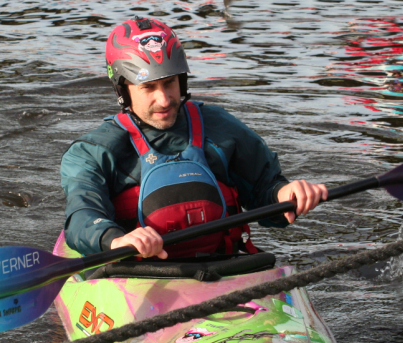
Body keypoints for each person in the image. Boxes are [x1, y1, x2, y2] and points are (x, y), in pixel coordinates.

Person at [60, 16, 328, 259]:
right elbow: (83, 216)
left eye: (170, 83)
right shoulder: (94, 151)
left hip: (223, 266)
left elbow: (265, 191)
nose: (164, 99)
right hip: (138, 275)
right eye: (149, 87)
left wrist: (286, 193)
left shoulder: (220, 127)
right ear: (123, 90)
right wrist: (115, 239)